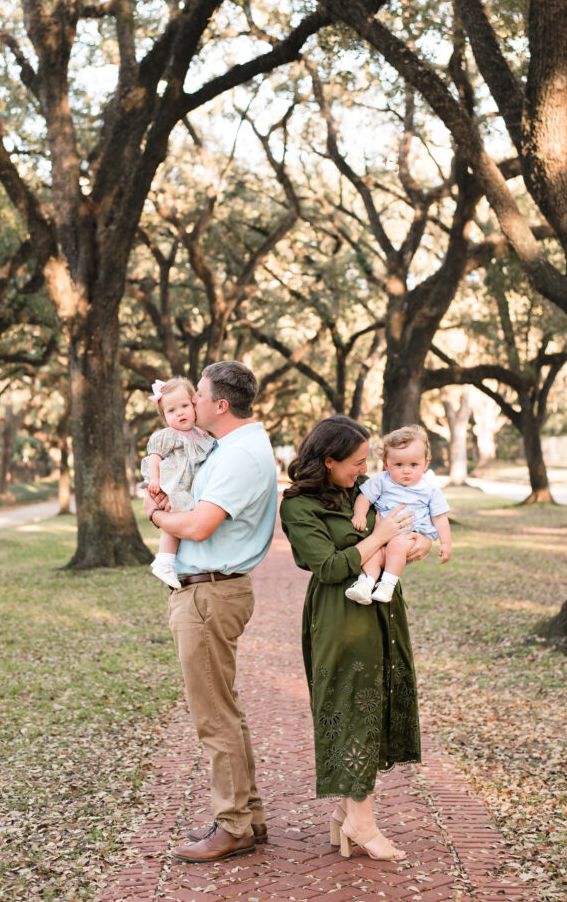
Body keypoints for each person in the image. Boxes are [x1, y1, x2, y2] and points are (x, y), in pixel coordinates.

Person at [279, 416, 430, 862]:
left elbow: (405, 524)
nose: (363, 470)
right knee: (349, 711)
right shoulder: (297, 506)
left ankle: (345, 814)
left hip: (381, 611)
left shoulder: (363, 489)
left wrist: (415, 541)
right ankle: (362, 823)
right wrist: (380, 536)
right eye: (355, 463)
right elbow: (326, 566)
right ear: (328, 461)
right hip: (339, 616)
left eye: (366, 461)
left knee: (373, 706)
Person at [144, 361, 278, 863]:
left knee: (214, 716)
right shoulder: (229, 448)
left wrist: (155, 514)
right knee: (227, 709)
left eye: (198, 395)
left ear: (220, 405)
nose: (191, 402)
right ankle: (250, 815)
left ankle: (234, 826)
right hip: (210, 590)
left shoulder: (240, 455)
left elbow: (198, 527)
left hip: (209, 593)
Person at [346, 424, 451, 605]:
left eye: (414, 465)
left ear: (425, 464)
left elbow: (440, 517)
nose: (406, 470)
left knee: (396, 544)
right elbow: (364, 498)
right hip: (382, 536)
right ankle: (365, 584)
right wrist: (360, 515)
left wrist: (446, 543)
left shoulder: (430, 489)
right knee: (373, 554)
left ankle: (387, 585)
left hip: (409, 535)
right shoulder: (382, 480)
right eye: (399, 465)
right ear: (386, 464)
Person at [142, 376, 216, 589]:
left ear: (194, 405)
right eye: (171, 410)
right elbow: (153, 458)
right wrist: (155, 481)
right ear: (165, 417)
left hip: (189, 487)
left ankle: (170, 560)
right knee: (175, 521)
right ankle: (164, 561)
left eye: (184, 406)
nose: (180, 412)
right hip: (172, 485)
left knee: (185, 521)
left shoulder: (201, 436)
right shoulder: (166, 436)